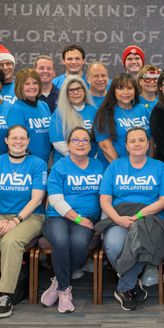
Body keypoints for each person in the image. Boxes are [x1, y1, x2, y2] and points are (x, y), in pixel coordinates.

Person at [0, 124, 48, 319]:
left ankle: (6, 294)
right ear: (6, 141)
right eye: (14, 138)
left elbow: (37, 199)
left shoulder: (37, 164)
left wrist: (16, 220)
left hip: (30, 217)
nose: (18, 142)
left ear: (28, 141)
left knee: (11, 241)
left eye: (22, 138)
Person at [97, 127, 164, 311]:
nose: (137, 144)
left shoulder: (159, 166)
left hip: (150, 215)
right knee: (113, 245)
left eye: (141, 140)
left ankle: (124, 287)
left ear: (148, 143)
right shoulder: (114, 166)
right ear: (126, 146)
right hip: (120, 214)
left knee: (143, 242)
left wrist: (139, 215)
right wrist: (118, 219)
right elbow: (105, 199)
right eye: (133, 141)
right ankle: (132, 282)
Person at [40, 127, 106, 314]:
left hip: (87, 217)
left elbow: (105, 197)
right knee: (61, 240)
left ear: (90, 146)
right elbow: (55, 199)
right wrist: (77, 218)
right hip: (58, 216)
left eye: (85, 140)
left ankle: (59, 283)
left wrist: (101, 223)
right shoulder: (60, 167)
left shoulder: (99, 166)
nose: (81, 144)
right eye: (75, 140)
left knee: (78, 242)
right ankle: (64, 291)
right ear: (68, 146)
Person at [95, 73, 148, 161]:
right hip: (117, 168)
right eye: (120, 88)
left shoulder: (142, 109)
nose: (126, 92)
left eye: (130, 88)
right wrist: (121, 168)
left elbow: (151, 139)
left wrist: (149, 163)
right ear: (113, 91)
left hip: (143, 166)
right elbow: (104, 145)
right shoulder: (105, 112)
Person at [7, 69, 53, 163]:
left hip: (47, 161)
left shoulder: (43, 105)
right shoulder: (16, 109)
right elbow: (16, 142)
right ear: (20, 87)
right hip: (28, 162)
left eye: (35, 83)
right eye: (27, 84)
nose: (32, 87)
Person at [50, 76, 98, 164]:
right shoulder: (59, 112)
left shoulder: (94, 110)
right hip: (65, 162)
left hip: (90, 162)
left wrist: (90, 160)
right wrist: (77, 159)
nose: (75, 93)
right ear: (66, 94)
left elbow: (99, 139)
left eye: (78, 89)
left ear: (84, 91)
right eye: (71, 90)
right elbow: (58, 142)